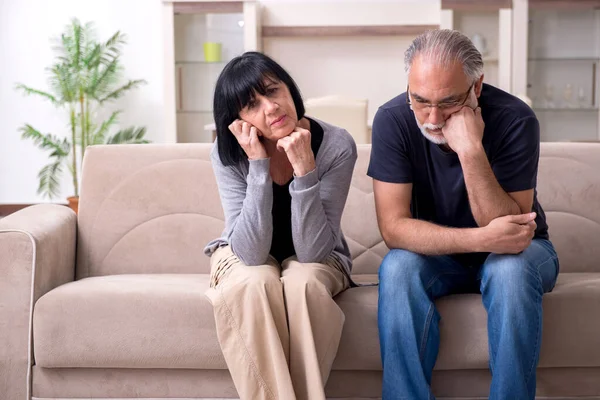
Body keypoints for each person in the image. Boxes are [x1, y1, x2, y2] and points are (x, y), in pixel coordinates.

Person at [368, 29, 559, 400]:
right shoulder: (392, 120)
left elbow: (513, 232)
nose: (433, 118)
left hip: (522, 252)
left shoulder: (516, 119)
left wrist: (471, 150)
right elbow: (394, 229)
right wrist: (480, 239)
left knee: (510, 270)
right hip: (441, 259)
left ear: (477, 86)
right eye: (420, 100)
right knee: (398, 267)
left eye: (449, 102)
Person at [204, 51, 357, 400]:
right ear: (237, 120)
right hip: (242, 253)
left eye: (273, 91)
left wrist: (305, 170)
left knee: (303, 282)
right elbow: (251, 254)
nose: (270, 107)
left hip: (322, 254)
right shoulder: (227, 152)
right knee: (254, 282)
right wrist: (258, 166)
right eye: (252, 105)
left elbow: (313, 252)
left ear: (290, 90)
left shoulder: (336, 145)